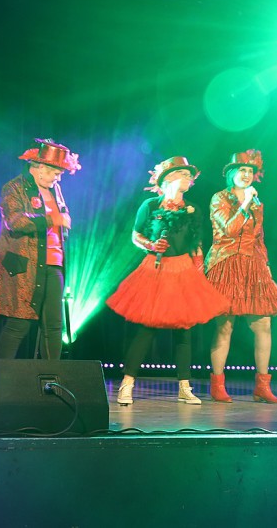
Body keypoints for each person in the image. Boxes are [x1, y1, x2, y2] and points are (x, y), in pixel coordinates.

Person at [106, 157, 229, 406]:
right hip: (155, 268)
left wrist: (198, 270)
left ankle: (184, 387)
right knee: (146, 328)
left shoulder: (193, 208)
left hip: (183, 269)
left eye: (189, 175)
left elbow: (196, 243)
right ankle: (127, 384)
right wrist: (150, 245)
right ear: (168, 178)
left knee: (184, 329)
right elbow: (135, 234)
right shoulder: (151, 205)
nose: (188, 178)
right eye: (183, 174)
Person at [0, 139, 80, 360]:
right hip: (25, 265)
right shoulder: (14, 187)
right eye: (55, 173)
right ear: (40, 167)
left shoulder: (56, 190)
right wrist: (52, 219)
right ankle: (2, 375)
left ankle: (51, 376)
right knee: (19, 323)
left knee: (53, 325)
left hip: (54, 264)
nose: (57, 178)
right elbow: (14, 221)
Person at [205, 149, 277, 404]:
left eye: (250, 171)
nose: (247, 174)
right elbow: (229, 229)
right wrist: (245, 203)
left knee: (263, 325)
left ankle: (262, 386)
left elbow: (259, 238)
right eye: (242, 170)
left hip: (253, 265)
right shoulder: (220, 198)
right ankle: (218, 384)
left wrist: (268, 270)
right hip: (226, 263)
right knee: (225, 326)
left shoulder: (258, 203)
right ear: (231, 173)